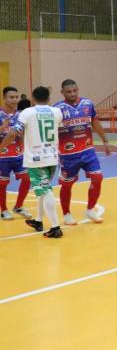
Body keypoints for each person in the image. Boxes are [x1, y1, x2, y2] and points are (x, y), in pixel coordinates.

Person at [0, 86, 63, 237]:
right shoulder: (57, 112)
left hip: (36, 159)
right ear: (49, 98)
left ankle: (55, 227)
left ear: (33, 99)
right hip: (52, 157)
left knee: (45, 190)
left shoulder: (27, 112)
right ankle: (38, 220)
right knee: (42, 189)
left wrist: (1, 147)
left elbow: (13, 133)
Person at [55, 79, 111, 224]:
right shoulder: (57, 109)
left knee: (97, 178)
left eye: (75, 90)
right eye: (68, 92)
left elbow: (95, 122)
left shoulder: (88, 104)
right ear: (62, 92)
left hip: (88, 151)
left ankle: (90, 210)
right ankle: (66, 214)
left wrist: (105, 141)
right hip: (68, 155)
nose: (72, 94)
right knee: (67, 185)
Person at [0, 87, 32, 220]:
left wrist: (25, 147)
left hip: (19, 155)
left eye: (16, 97)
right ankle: (4, 210)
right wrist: (2, 128)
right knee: (2, 184)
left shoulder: (21, 115)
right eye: (11, 97)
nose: (14, 100)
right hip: (2, 157)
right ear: (4, 98)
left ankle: (18, 206)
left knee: (28, 179)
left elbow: (22, 133)